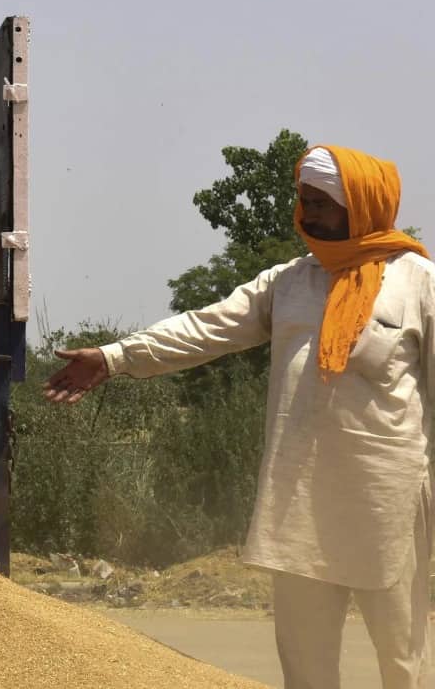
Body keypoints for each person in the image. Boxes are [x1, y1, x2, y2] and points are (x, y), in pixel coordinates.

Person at [45, 145, 432, 688]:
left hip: (384, 505)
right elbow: (206, 327)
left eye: (320, 203)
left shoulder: (419, 282)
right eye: (303, 201)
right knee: (306, 667)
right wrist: (115, 357)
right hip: (300, 504)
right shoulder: (290, 282)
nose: (307, 215)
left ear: (360, 203)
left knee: (402, 659)